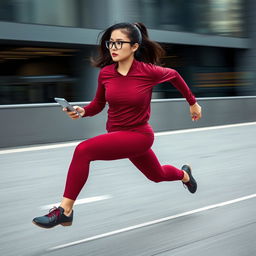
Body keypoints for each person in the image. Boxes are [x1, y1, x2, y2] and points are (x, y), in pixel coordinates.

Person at [33, 22, 202, 229]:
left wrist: (193, 103)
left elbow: (175, 75)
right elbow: (98, 105)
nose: (112, 47)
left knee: (83, 150)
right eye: (110, 42)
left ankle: (65, 211)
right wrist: (82, 111)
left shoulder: (148, 72)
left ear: (134, 47)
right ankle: (185, 174)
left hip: (139, 135)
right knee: (156, 175)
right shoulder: (106, 73)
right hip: (118, 135)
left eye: (119, 43)